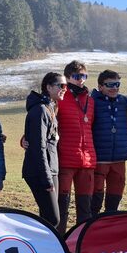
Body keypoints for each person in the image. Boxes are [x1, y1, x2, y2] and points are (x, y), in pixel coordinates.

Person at [56, 60, 96, 233]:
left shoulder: (91, 101)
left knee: (85, 209)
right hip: (65, 159)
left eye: (84, 76)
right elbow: (44, 124)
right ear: (67, 77)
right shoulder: (60, 99)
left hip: (87, 162)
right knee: (62, 207)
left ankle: (81, 242)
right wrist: (25, 140)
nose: (81, 80)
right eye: (77, 76)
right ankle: (59, 242)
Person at [23, 73, 67, 229]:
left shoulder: (51, 107)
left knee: (47, 218)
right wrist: (46, 178)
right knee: (52, 219)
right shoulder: (40, 110)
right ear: (48, 87)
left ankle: (43, 252)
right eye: (61, 86)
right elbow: (38, 147)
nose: (64, 89)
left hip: (51, 169)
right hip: (39, 172)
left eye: (66, 86)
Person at [90, 70, 127, 213]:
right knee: (95, 200)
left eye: (117, 84)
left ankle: (109, 227)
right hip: (99, 160)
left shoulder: (123, 101)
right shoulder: (91, 103)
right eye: (110, 84)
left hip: (119, 160)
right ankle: (91, 228)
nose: (114, 87)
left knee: (114, 201)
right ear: (100, 86)